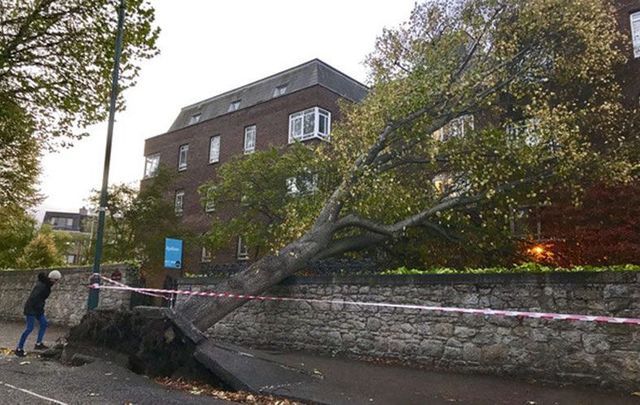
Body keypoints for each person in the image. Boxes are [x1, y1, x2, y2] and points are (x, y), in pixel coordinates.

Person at [15, 270, 62, 357]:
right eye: (56, 280)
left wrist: (39, 308)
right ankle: (19, 348)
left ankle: (38, 344)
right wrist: (38, 308)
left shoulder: (46, 284)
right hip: (31, 308)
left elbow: (40, 299)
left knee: (44, 324)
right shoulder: (42, 286)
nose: (56, 282)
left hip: (38, 308)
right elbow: (34, 298)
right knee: (29, 328)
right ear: (52, 279)